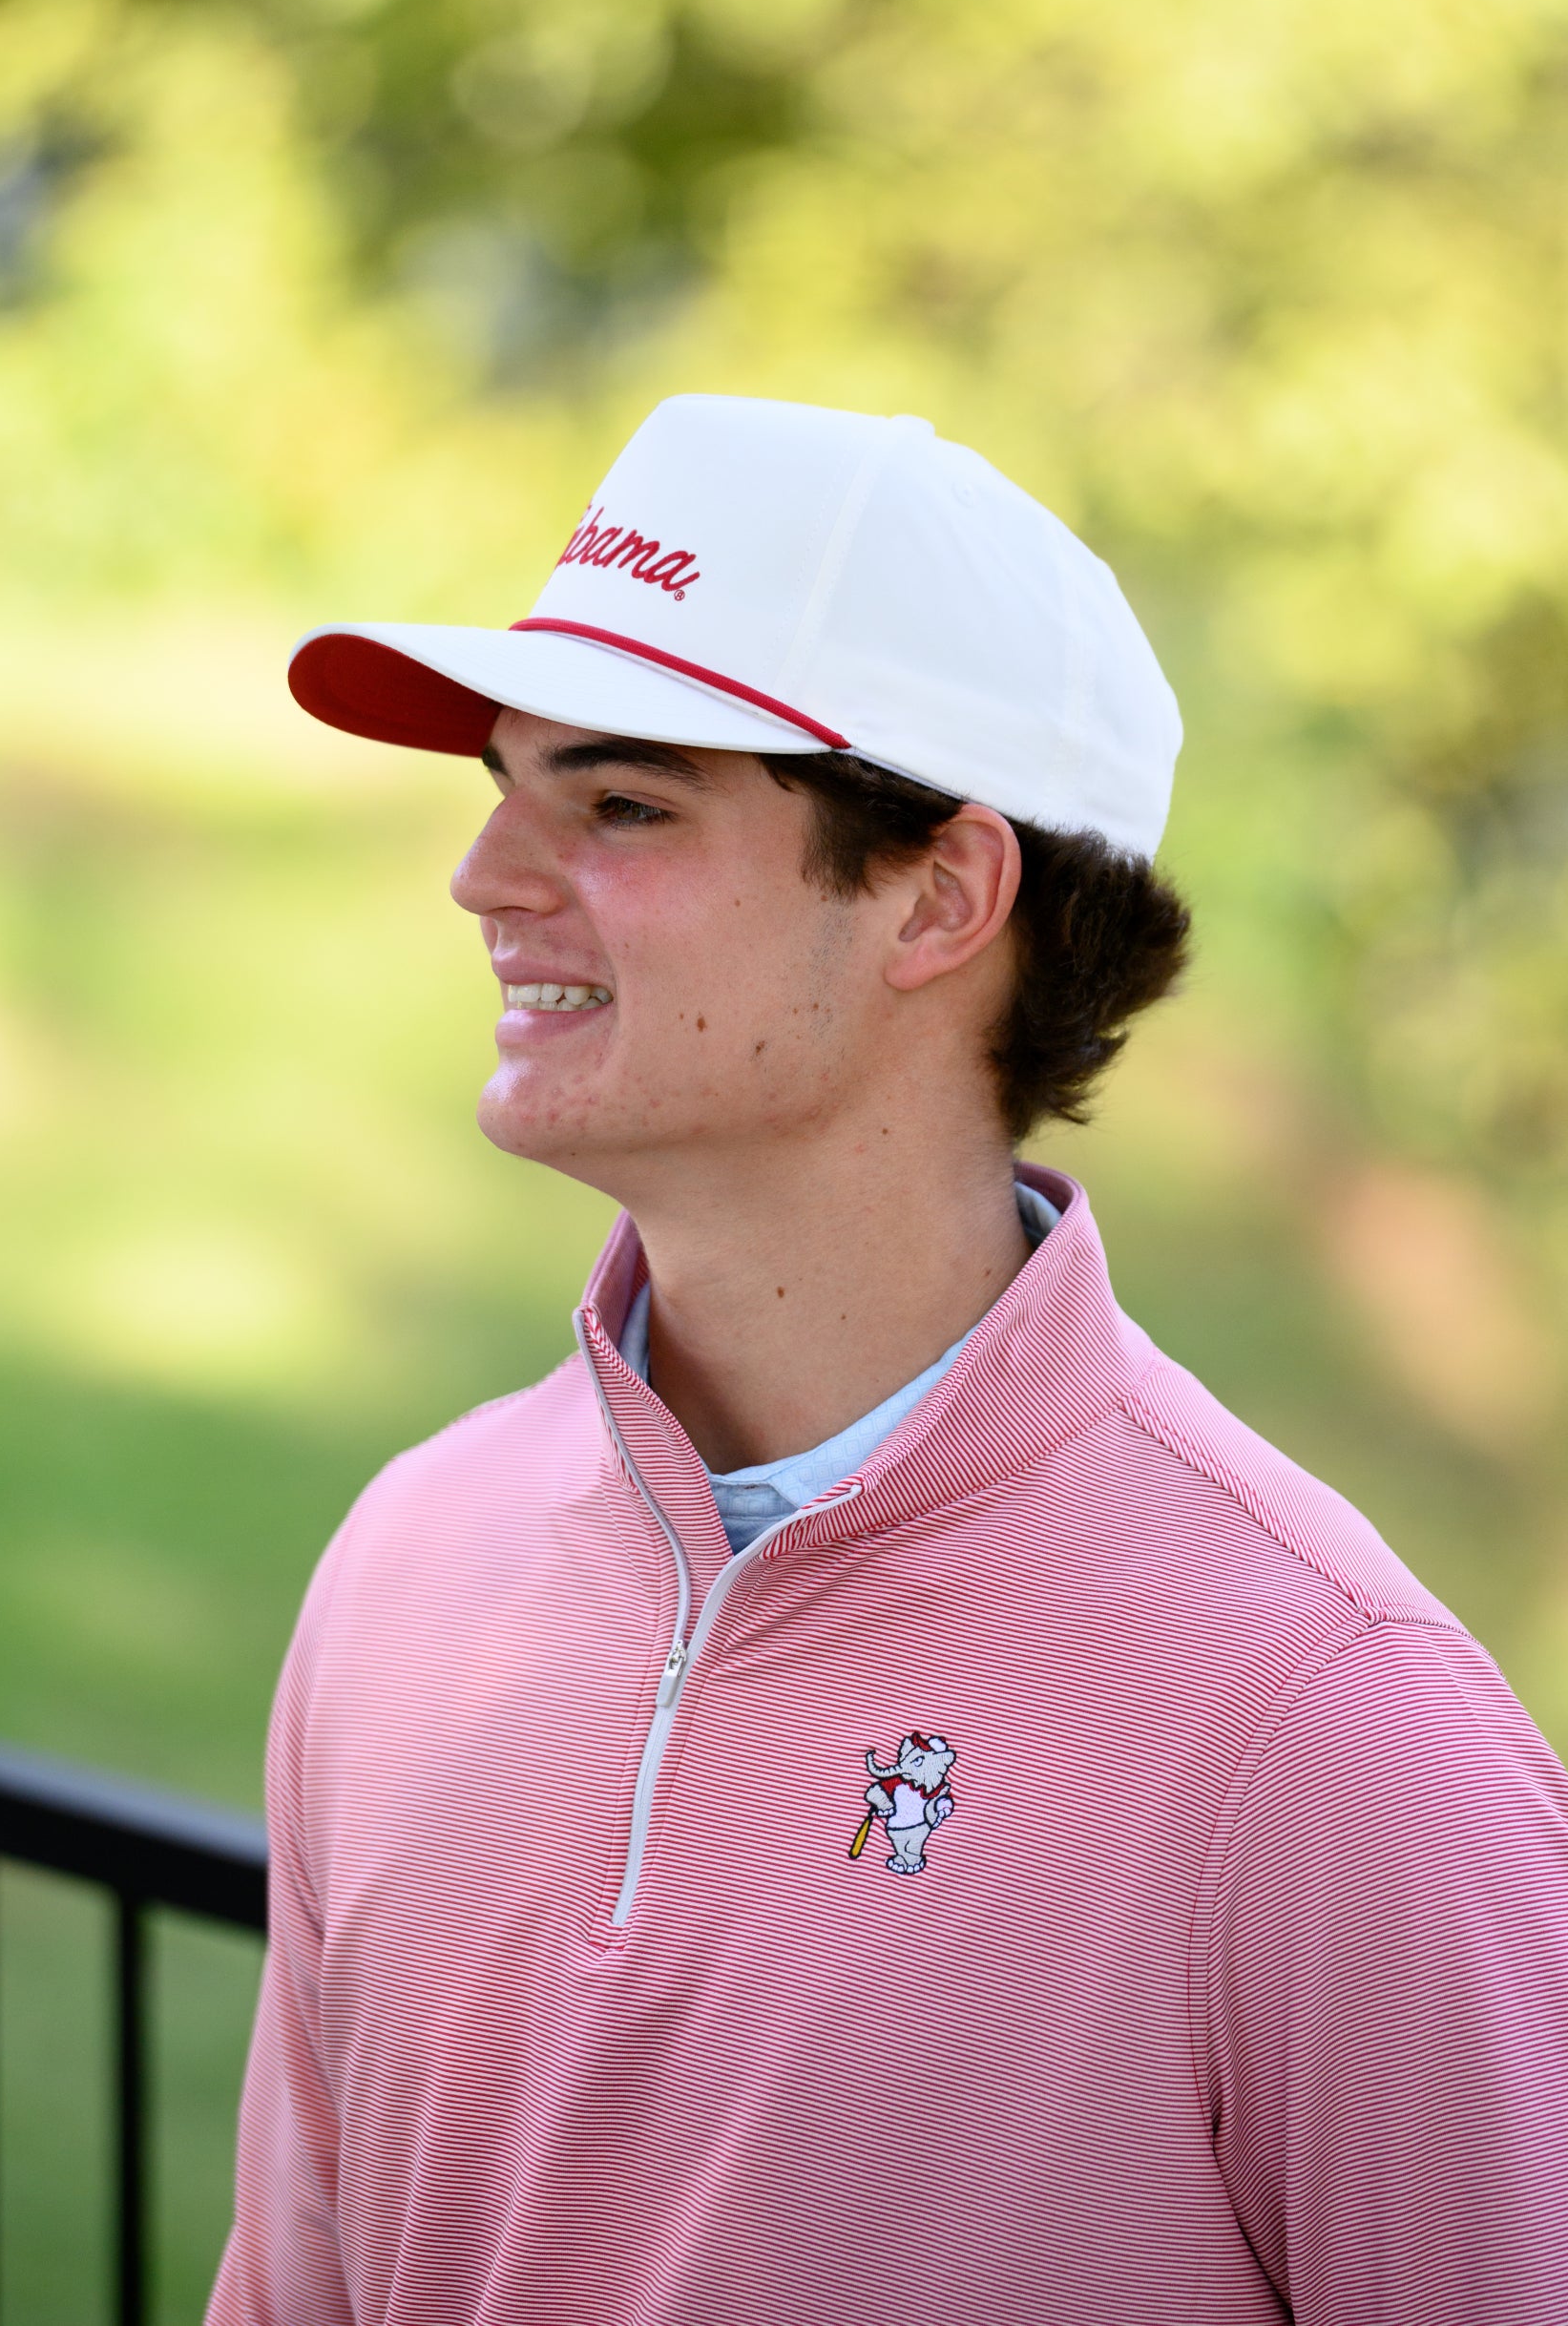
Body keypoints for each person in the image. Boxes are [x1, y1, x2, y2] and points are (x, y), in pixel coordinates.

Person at [208, 396, 1568, 2326]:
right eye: (504, 785)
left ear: (942, 893)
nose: (486, 876)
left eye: (618, 803)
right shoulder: (410, 1562)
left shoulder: (1330, 1729)